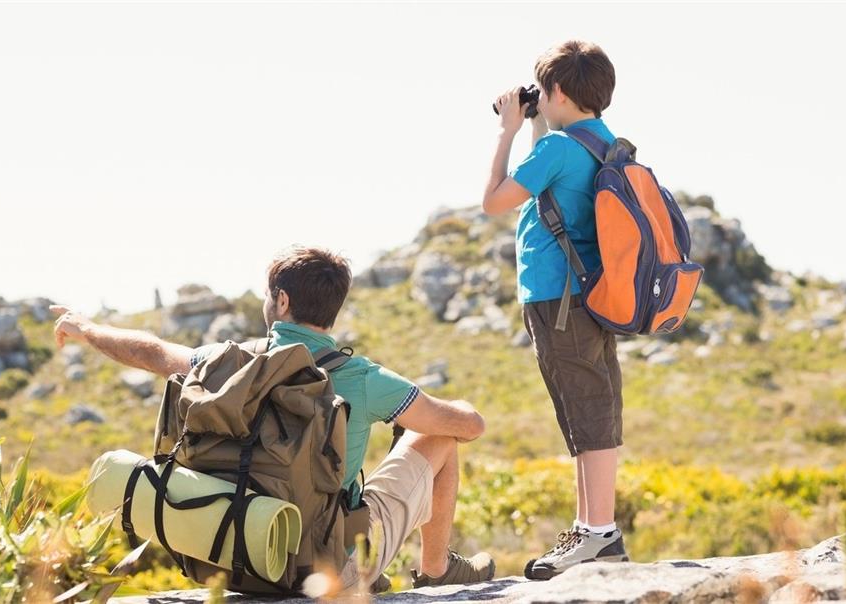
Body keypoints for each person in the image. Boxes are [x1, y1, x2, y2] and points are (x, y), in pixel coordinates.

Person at [52, 246, 495, 590]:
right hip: (324, 572)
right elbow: (468, 427)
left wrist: (87, 329)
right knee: (436, 438)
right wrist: (461, 408)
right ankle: (437, 572)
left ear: (281, 301)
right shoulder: (362, 377)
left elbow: (149, 351)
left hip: (240, 553)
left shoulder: (221, 363)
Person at [481, 40, 628, 579]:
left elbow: (494, 200)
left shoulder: (556, 150)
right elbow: (555, 185)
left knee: (583, 410)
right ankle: (592, 528)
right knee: (590, 406)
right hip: (592, 296)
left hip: (556, 298)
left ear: (557, 92)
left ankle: (597, 533)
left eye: (541, 92)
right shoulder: (600, 141)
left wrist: (507, 131)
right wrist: (538, 124)